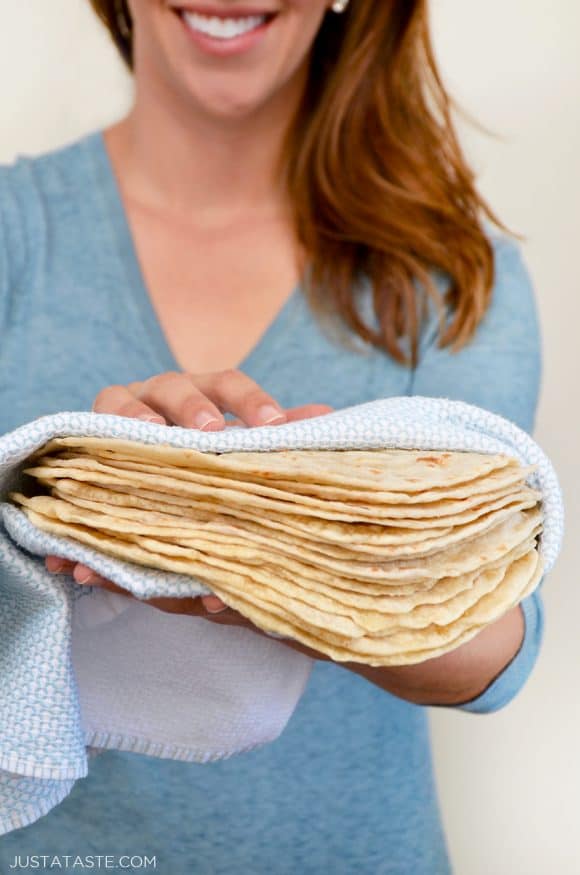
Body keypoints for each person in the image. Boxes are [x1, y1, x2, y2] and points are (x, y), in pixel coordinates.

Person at [0, 1, 543, 872]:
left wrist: (275, 562)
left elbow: (499, 642)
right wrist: (77, 497)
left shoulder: (447, 273)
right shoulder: (14, 234)